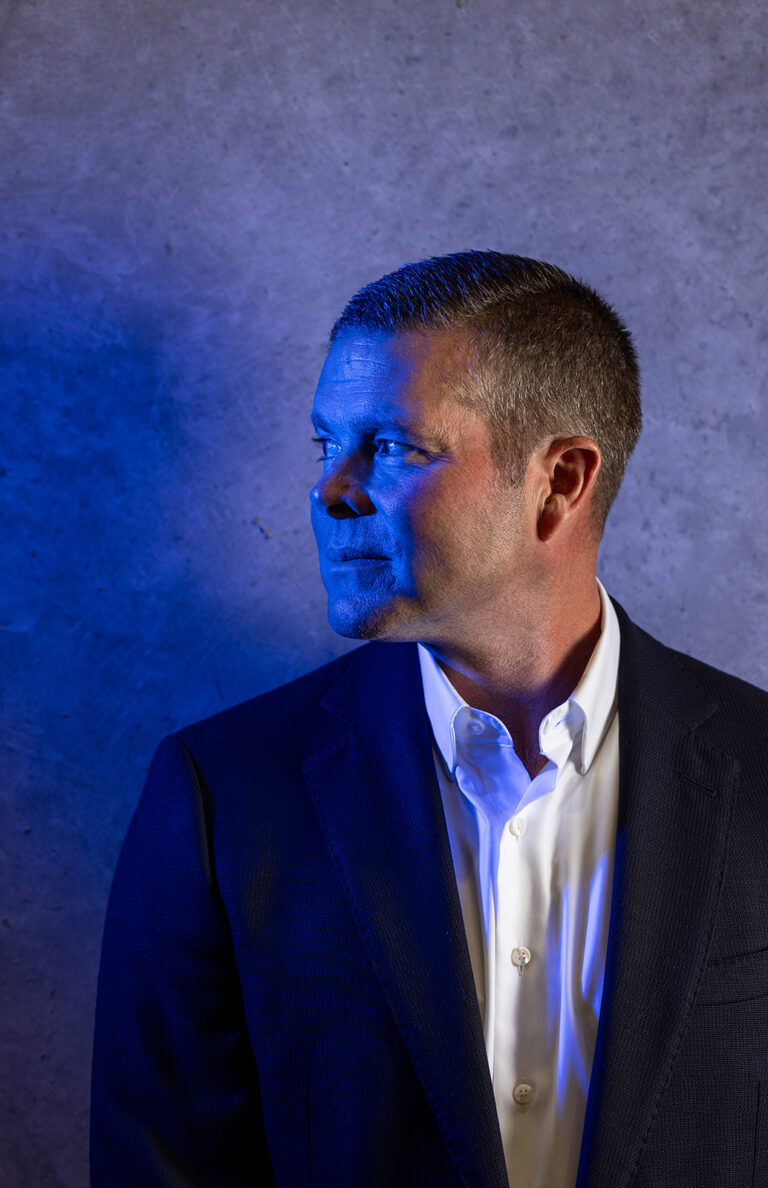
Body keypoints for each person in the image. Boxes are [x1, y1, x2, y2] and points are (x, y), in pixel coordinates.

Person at [91, 252, 768, 1188]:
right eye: (326, 444)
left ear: (561, 482)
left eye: (397, 447)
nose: (332, 491)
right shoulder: (223, 796)